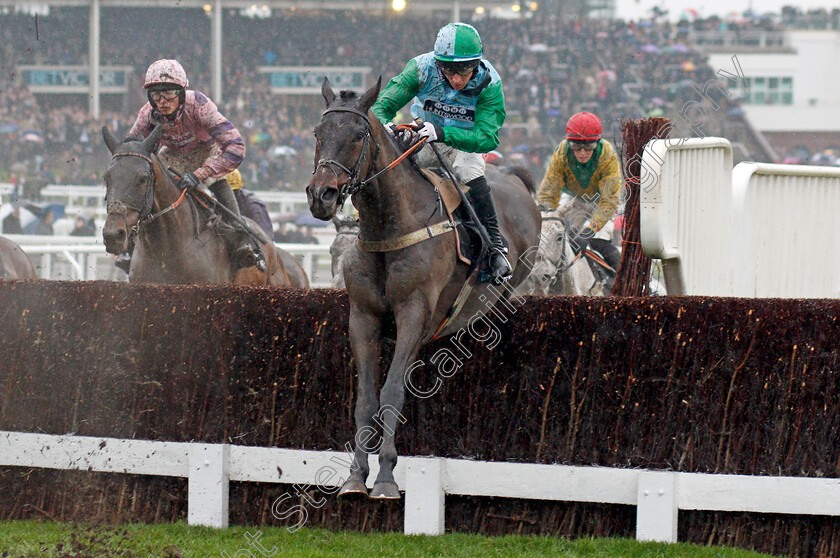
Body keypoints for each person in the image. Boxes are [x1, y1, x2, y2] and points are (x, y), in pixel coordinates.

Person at [371, 22, 511, 284]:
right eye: (448, 70)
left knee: (469, 171)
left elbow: (487, 138)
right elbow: (382, 106)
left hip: (464, 145)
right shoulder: (421, 68)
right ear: (438, 64)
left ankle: (496, 249)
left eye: (464, 70)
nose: (456, 79)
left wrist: (444, 133)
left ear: (476, 65)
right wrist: (385, 126)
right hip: (423, 137)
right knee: (385, 164)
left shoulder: (490, 83)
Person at [118, 59, 250, 274]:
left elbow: (236, 146)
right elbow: (131, 147)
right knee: (148, 177)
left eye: (169, 93)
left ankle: (240, 236)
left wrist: (200, 175)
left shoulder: (199, 105)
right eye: (156, 95)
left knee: (215, 179)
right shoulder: (146, 115)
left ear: (181, 92)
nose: (162, 101)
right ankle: (130, 245)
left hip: (207, 151)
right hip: (172, 155)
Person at [536, 112, 623, 257]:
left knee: (598, 242)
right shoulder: (561, 153)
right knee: (561, 237)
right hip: (574, 199)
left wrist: (589, 232)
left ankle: (616, 276)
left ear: (597, 143)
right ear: (569, 143)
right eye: (576, 146)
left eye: (589, 146)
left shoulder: (607, 154)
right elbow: (548, 193)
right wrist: (545, 216)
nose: (582, 152)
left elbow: (609, 200)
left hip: (601, 201)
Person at [226, 169, 273, 239]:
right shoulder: (220, 201)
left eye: (233, 192)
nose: (229, 197)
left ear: (238, 189)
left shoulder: (253, 205)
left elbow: (262, 238)